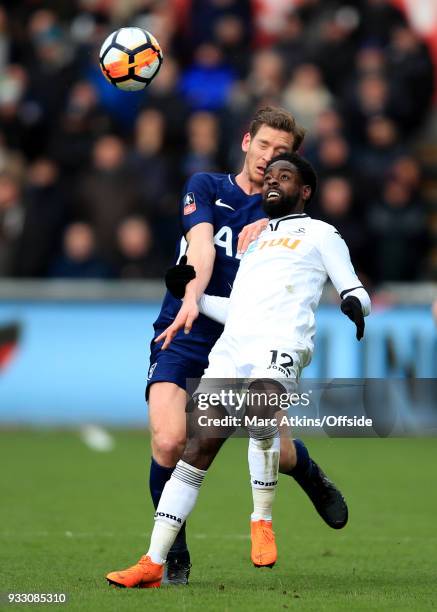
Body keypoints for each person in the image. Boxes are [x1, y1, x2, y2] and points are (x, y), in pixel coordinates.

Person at [106, 152, 371, 588]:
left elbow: (355, 287)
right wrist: (195, 298)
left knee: (260, 414)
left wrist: (353, 306)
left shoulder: (322, 233)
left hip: (282, 344)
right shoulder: (256, 241)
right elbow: (240, 309)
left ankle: (261, 521)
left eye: (284, 177)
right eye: (270, 175)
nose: (273, 181)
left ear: (304, 191)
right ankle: (153, 562)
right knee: (196, 450)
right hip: (234, 348)